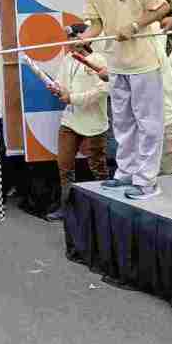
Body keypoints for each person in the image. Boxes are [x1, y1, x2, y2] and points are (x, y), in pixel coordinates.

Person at [69, 0, 171, 201]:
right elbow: (96, 24)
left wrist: (135, 26)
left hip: (144, 62)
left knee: (148, 122)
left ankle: (147, 181)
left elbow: (163, 7)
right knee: (124, 122)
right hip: (116, 64)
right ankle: (126, 173)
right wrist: (84, 40)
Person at [45, 26, 110, 222]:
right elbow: (62, 83)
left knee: (97, 167)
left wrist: (72, 98)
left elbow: (102, 91)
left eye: (74, 36)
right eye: (68, 37)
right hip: (70, 121)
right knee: (64, 167)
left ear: (86, 38)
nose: (70, 41)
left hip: (94, 123)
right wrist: (57, 88)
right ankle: (67, 208)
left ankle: (106, 209)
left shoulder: (99, 60)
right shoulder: (67, 59)